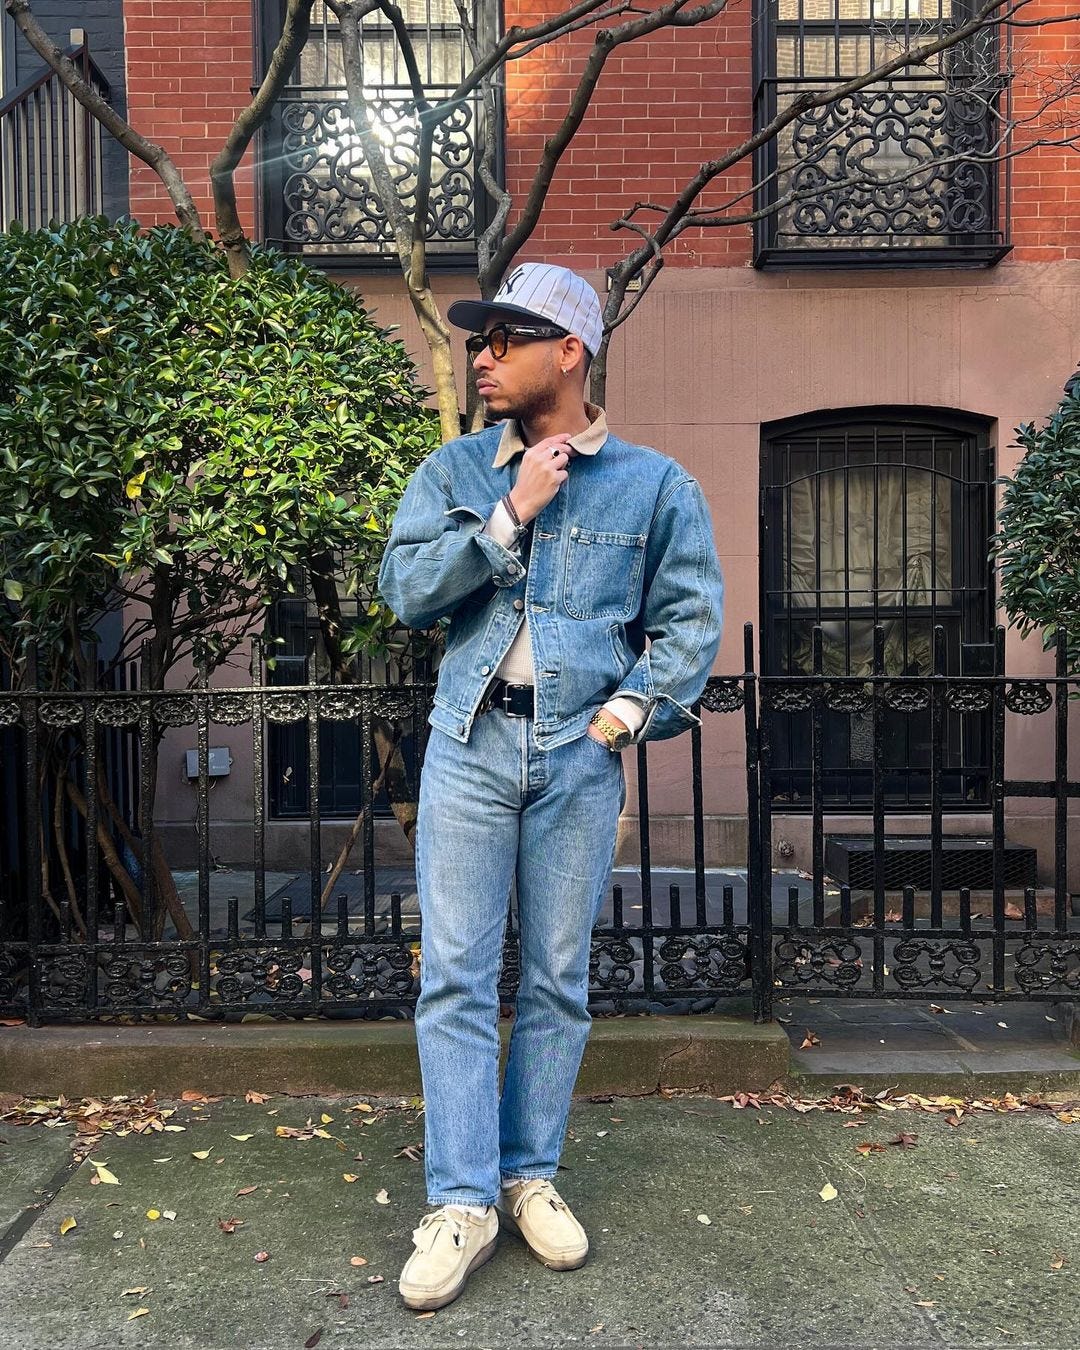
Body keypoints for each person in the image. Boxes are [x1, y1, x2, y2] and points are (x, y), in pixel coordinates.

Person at [376, 262, 724, 1311]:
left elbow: (689, 623)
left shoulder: (657, 486)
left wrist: (622, 719)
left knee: (560, 978)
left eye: (505, 340)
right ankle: (462, 1200)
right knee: (456, 975)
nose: (483, 357)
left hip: (577, 754)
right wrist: (507, 516)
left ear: (568, 351)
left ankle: (531, 1179)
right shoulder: (454, 474)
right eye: (479, 342)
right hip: (470, 745)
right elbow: (403, 593)